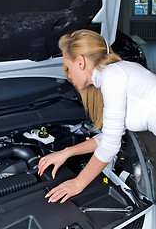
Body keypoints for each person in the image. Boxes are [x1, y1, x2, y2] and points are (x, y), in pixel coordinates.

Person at [38, 29, 156, 204]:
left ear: (80, 62)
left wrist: (78, 183)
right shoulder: (117, 72)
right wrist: (67, 152)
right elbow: (109, 136)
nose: (69, 76)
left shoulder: (112, 75)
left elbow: (110, 144)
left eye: (68, 68)